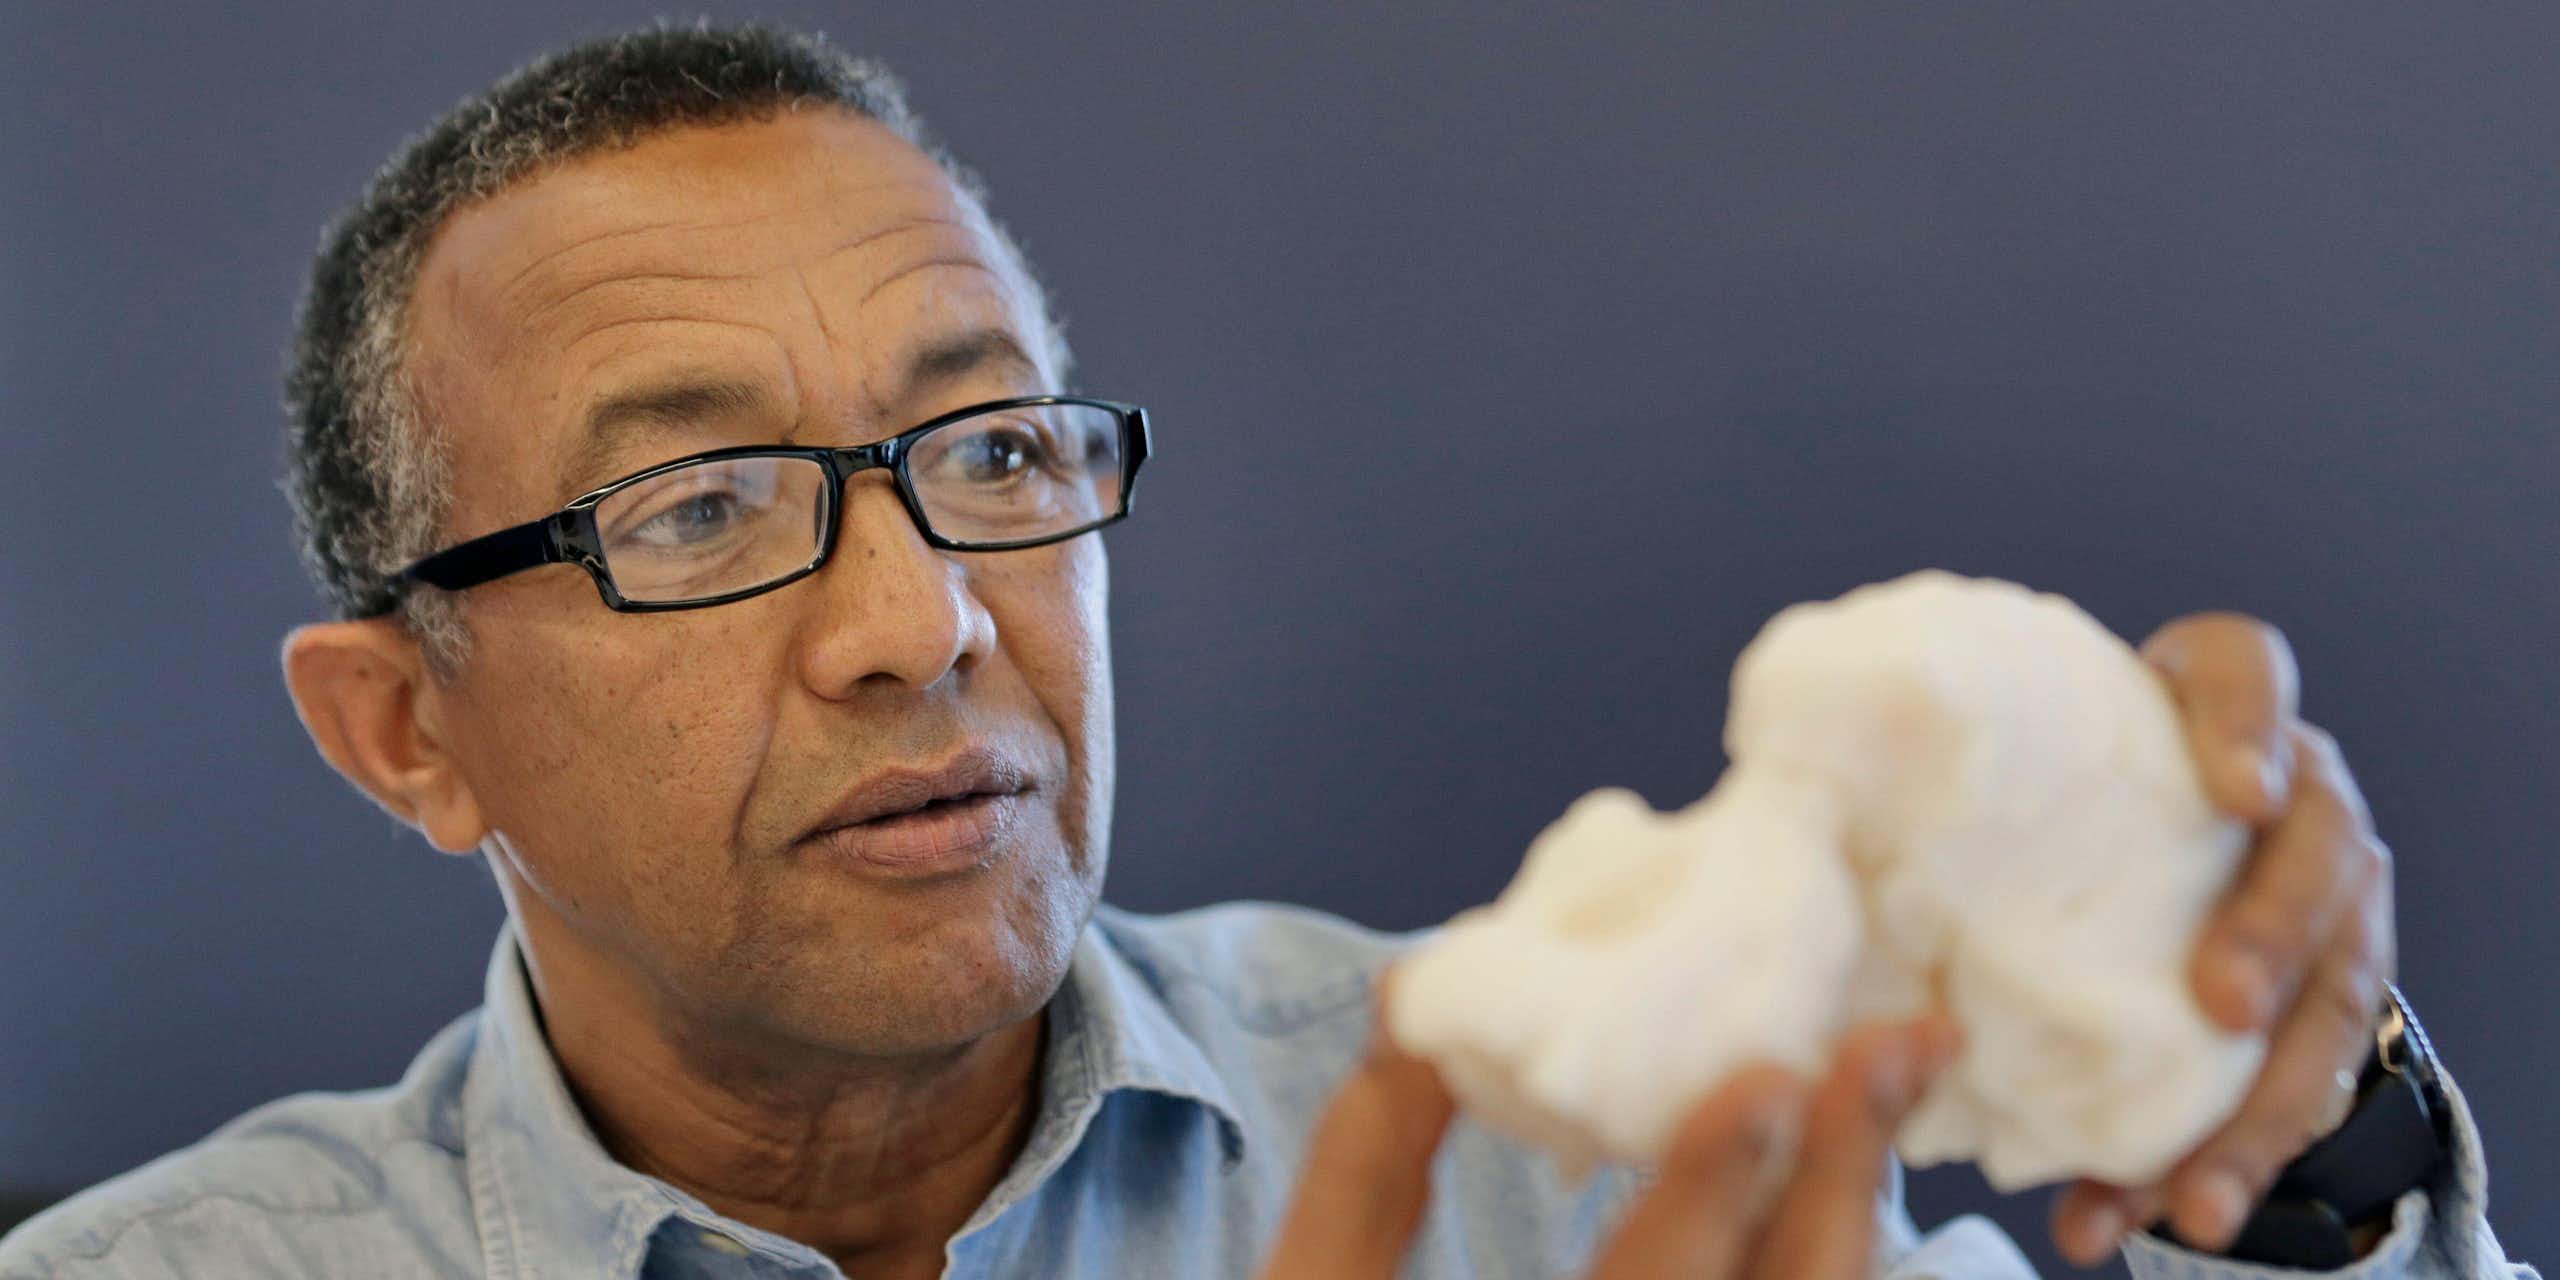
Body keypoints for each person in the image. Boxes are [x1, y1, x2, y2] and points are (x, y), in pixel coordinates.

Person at [0, 23, 2533, 1280]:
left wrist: (2287, 1144)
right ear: (406, 731)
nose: (921, 624)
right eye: (703, 507)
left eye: (990, 455)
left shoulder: (1580, 1122)